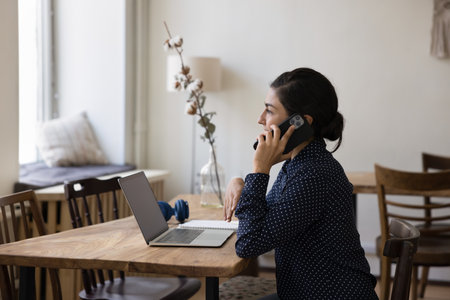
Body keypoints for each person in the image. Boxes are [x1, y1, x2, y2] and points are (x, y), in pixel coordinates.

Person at [223, 68, 378, 299]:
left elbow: (248, 244)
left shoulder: (314, 174)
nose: (260, 119)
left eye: (269, 110)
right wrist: (241, 183)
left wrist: (260, 169)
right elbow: (264, 220)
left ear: (299, 123)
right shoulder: (298, 164)